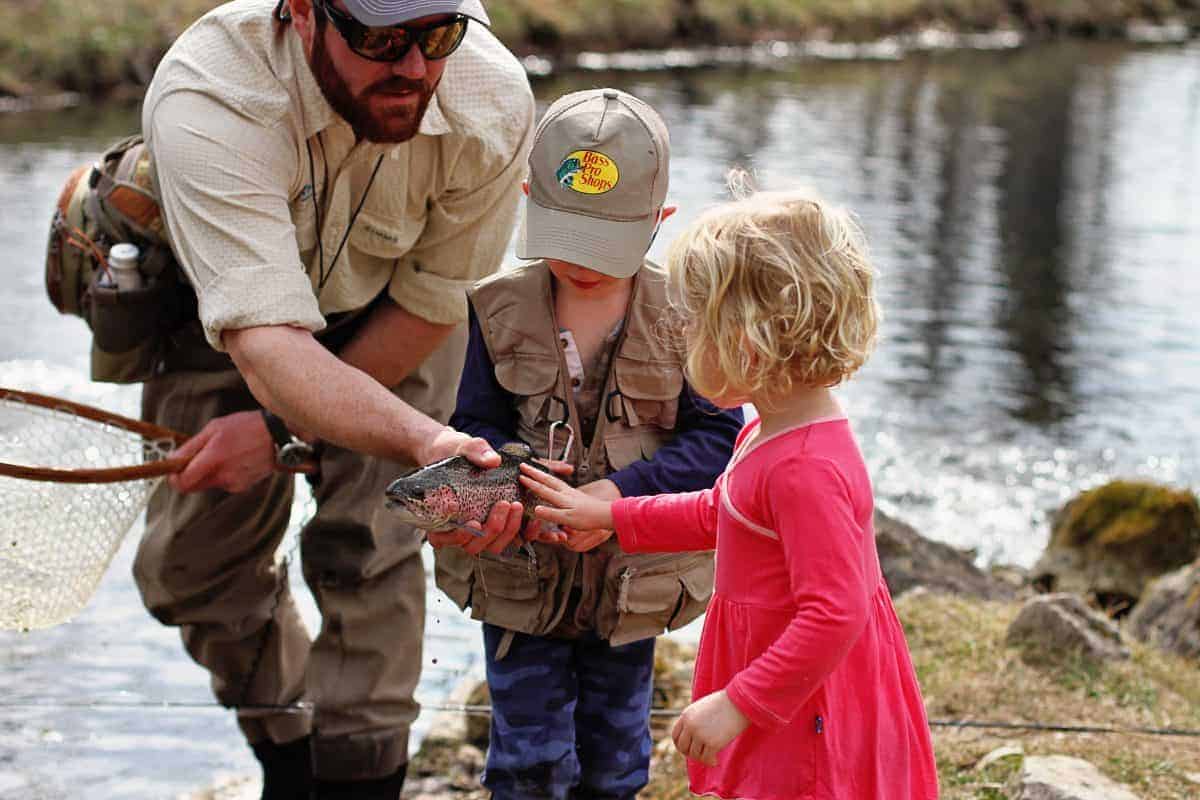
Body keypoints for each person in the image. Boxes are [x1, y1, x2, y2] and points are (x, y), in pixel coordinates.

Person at [135, 0, 535, 797]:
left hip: (397, 314)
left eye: (437, 36)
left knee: (371, 552)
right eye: (381, 38)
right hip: (233, 313)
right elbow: (267, 343)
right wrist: (288, 427)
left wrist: (413, 445)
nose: (415, 68)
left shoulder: (492, 99)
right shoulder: (211, 92)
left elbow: (433, 303)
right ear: (303, 14)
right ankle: (289, 759)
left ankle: (359, 775)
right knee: (188, 574)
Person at [518, 178, 941, 799]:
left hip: (806, 701)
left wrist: (739, 703)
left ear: (748, 340)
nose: (682, 344)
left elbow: (836, 611)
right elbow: (723, 511)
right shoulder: (773, 432)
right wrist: (614, 516)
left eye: (692, 329)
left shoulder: (804, 468)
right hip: (783, 678)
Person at [427, 88, 744, 800]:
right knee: (525, 762)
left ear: (659, 222)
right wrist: (493, 480)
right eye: (566, 239)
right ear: (529, 197)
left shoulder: (688, 314)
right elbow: (477, 421)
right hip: (521, 581)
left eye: (604, 246)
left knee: (617, 761)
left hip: (630, 582)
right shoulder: (496, 307)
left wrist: (620, 497)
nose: (584, 265)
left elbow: (720, 434)